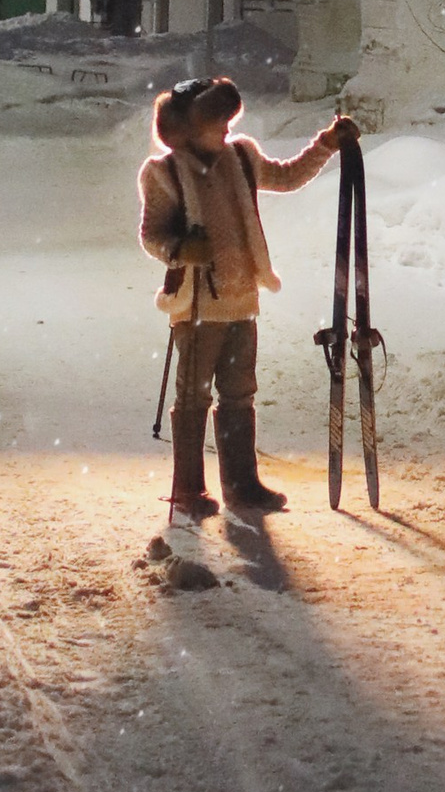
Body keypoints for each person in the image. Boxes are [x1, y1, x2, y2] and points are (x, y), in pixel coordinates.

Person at [139, 76, 352, 549]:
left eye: (227, 121)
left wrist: (327, 144)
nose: (225, 130)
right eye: (216, 123)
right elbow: (152, 234)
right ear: (185, 130)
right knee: (193, 398)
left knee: (240, 392)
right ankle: (188, 487)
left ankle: (241, 483)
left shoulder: (242, 157)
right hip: (195, 307)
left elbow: (289, 175)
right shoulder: (165, 173)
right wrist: (179, 249)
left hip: (240, 299)